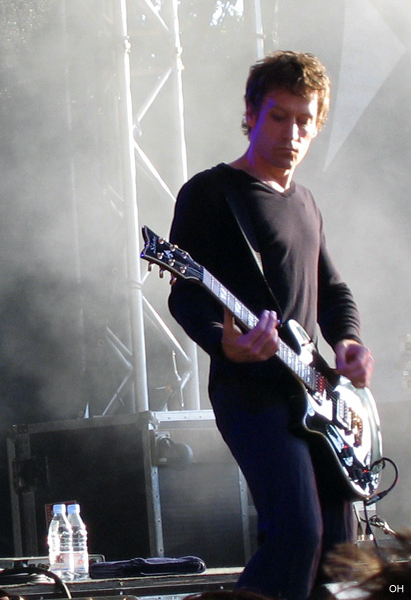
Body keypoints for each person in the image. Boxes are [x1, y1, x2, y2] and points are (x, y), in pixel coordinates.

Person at [167, 50, 374, 600]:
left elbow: (333, 292)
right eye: (279, 117)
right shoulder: (212, 193)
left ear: (319, 123)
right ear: (252, 114)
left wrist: (348, 342)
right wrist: (224, 344)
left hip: (318, 397)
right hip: (251, 392)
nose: (292, 133)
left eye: (305, 120)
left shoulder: (305, 203)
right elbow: (186, 296)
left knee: (341, 554)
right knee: (297, 533)